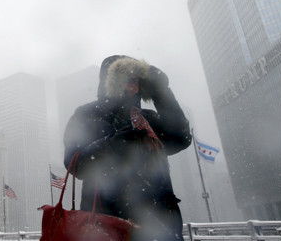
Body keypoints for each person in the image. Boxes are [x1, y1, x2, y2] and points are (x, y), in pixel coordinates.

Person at [64, 55, 192, 241]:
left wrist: (161, 92)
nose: (133, 86)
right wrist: (113, 144)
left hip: (159, 224)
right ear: (110, 82)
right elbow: (74, 164)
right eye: (126, 80)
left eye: (138, 81)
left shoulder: (149, 119)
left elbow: (181, 137)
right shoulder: (87, 115)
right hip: (107, 223)